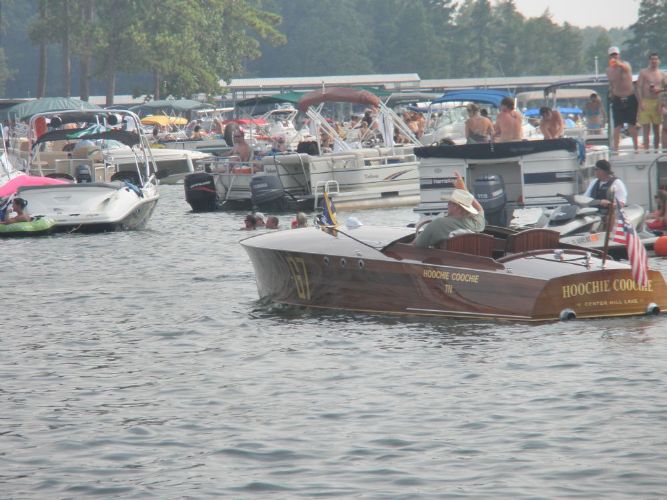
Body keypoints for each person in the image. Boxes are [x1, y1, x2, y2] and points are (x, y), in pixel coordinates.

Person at [414, 172, 485, 248]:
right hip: (471, 255)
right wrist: (464, 190)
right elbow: (480, 210)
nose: (447, 205)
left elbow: (417, 245)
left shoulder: (438, 224)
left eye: (449, 203)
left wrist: (463, 189)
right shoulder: (476, 224)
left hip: (446, 256)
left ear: (456, 206)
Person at [606, 46, 639, 152]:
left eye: (615, 54)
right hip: (617, 98)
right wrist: (612, 93)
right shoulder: (609, 70)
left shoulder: (625, 65)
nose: (614, 57)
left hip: (629, 97)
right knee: (617, 126)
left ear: (619, 55)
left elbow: (626, 69)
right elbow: (611, 83)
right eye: (612, 55)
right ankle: (616, 149)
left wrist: (618, 64)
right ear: (609, 56)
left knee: (631, 125)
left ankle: (636, 149)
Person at [637, 53, 664, 151]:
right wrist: (640, 102)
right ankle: (647, 151)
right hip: (645, 101)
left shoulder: (662, 74)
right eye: (652, 59)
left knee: (656, 129)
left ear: (659, 61)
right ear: (649, 61)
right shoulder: (643, 72)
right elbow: (638, 87)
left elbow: (665, 88)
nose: (654, 61)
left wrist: (659, 90)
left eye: (656, 59)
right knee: (646, 129)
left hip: (657, 102)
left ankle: (656, 150)